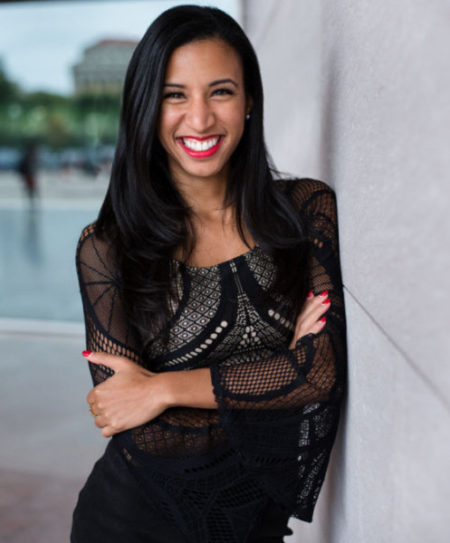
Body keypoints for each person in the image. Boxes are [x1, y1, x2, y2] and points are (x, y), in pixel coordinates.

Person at [71, 5, 347, 543]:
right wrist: (276, 371)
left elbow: (318, 375)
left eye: (220, 91)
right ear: (147, 108)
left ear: (249, 102)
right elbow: (127, 413)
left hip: (255, 523)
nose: (199, 119)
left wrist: (165, 388)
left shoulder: (306, 209)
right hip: (129, 521)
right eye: (176, 95)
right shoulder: (108, 248)